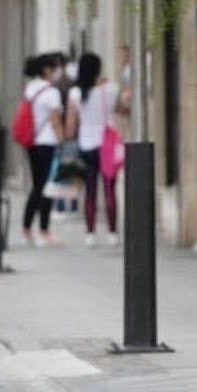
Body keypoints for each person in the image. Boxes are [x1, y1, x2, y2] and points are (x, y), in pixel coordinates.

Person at [68, 52, 124, 247]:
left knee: (90, 191)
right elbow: (122, 110)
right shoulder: (111, 89)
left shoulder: (75, 94)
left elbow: (70, 126)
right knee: (110, 189)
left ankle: (90, 233)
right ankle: (112, 232)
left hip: (86, 145)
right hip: (106, 145)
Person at [21, 54, 66, 247]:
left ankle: (26, 228)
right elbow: (56, 121)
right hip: (47, 143)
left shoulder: (30, 88)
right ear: (47, 70)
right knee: (47, 188)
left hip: (32, 143)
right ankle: (44, 230)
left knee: (37, 186)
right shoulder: (51, 92)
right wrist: (62, 141)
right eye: (55, 68)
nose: (57, 72)